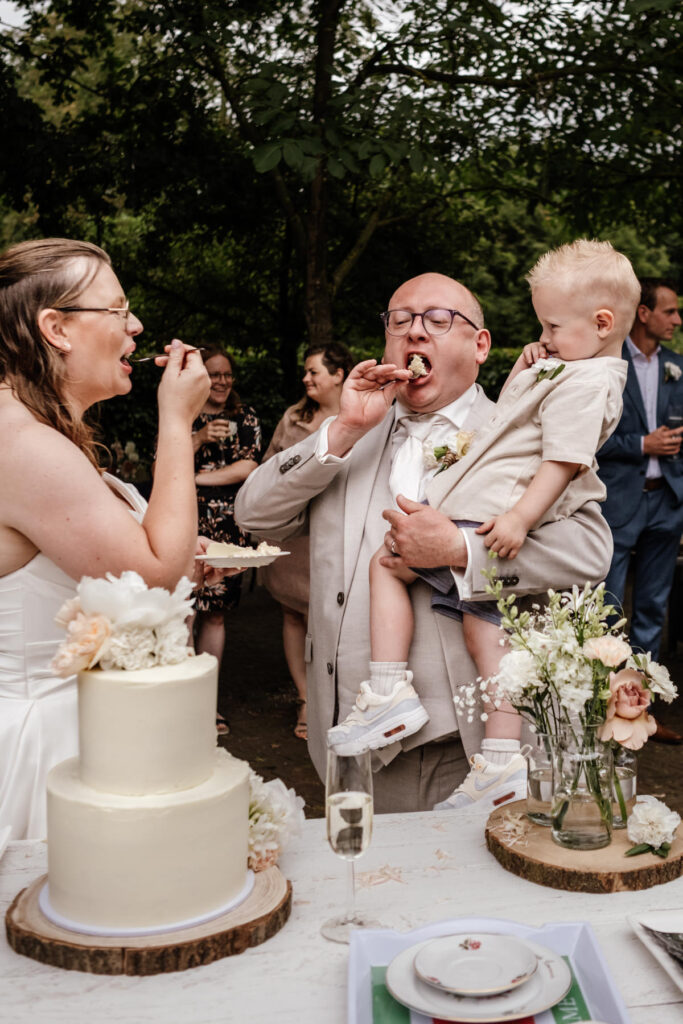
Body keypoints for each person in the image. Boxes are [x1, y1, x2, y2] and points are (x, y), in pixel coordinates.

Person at [234, 272, 614, 813]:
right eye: (400, 321)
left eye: (438, 321)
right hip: (356, 742)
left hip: (474, 748)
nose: (416, 333)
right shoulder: (349, 433)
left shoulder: (531, 430)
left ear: (480, 345)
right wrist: (342, 431)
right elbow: (253, 517)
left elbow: (590, 550)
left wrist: (463, 551)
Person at [327, 240, 637, 812]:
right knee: (476, 628)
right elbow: (256, 513)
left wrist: (479, 539)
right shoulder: (565, 371)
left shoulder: (590, 383)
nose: (543, 338)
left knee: (447, 607)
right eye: (402, 321)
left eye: (552, 326)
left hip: (493, 515)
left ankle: (447, 727)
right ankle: (490, 755)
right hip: (384, 770)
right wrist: (528, 375)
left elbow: (561, 463)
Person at [0, 237, 212, 839]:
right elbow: (150, 578)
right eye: (117, 309)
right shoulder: (23, 444)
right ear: (56, 327)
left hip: (93, 725)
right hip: (45, 748)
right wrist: (176, 421)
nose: (136, 325)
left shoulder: (37, 431)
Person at [597, 277, 683, 717]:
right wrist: (641, 445)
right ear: (644, 313)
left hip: (667, 501)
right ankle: (601, 709)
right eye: (669, 311)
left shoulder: (677, 366)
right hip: (618, 503)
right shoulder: (607, 364)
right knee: (609, 608)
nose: (677, 319)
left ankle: (641, 713)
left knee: (652, 609)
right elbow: (591, 437)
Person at [260, 342, 354, 739]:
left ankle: (338, 700)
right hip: (295, 535)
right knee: (293, 615)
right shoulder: (294, 417)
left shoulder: (363, 419)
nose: (306, 378)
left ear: (339, 375)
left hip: (338, 536)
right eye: (306, 371)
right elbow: (267, 469)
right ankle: (304, 699)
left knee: (334, 619)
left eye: (314, 371)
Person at [192, 347, 261, 733]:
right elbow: (160, 463)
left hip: (229, 525)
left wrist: (194, 479)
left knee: (216, 613)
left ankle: (209, 702)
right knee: (183, 612)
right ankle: (182, 702)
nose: (221, 381)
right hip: (184, 521)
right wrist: (198, 436)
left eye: (227, 374)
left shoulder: (244, 415)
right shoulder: (184, 415)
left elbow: (248, 466)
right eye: (214, 374)